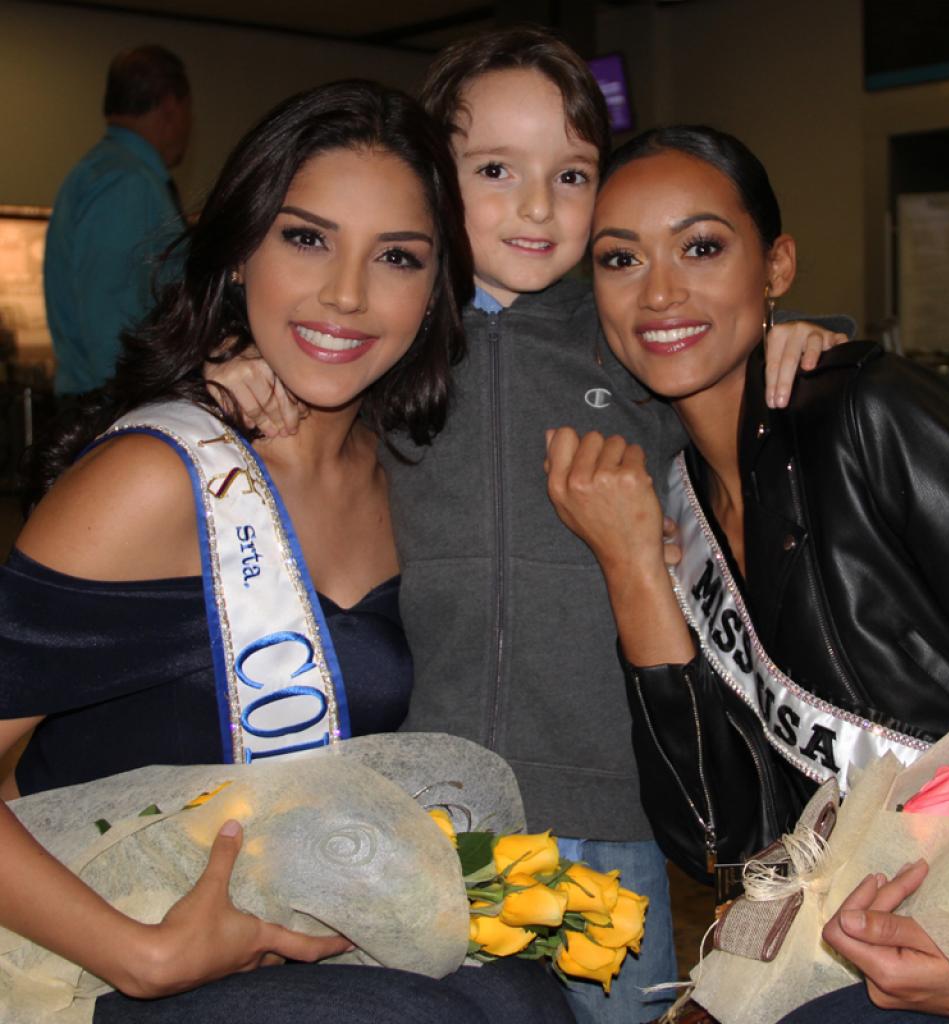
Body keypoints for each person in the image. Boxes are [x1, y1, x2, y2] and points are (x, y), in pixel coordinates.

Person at [208, 28, 851, 1024]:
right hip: (432, 821)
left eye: (572, 172)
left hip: (611, 811)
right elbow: (300, 374)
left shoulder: (627, 332)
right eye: (495, 169)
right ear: (434, 175)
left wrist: (798, 339)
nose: (536, 206)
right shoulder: (393, 339)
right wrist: (244, 367)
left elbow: (722, 339)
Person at [1, 80, 573, 1024]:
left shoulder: (403, 473)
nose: (346, 294)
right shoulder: (158, 479)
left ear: (437, 290)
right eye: (305, 238)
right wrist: (141, 956)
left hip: (284, 928)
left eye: (397, 256)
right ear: (236, 256)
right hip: (89, 951)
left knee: (524, 1001)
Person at [544, 124, 949, 1022]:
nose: (660, 291)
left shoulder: (868, 418)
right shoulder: (669, 502)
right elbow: (723, 846)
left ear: (776, 267)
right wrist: (634, 572)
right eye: (619, 259)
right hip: (861, 939)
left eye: (701, 247)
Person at [44, 44, 192, 399]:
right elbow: (110, 327)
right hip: (115, 406)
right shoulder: (127, 184)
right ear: (171, 105)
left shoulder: (102, 172)